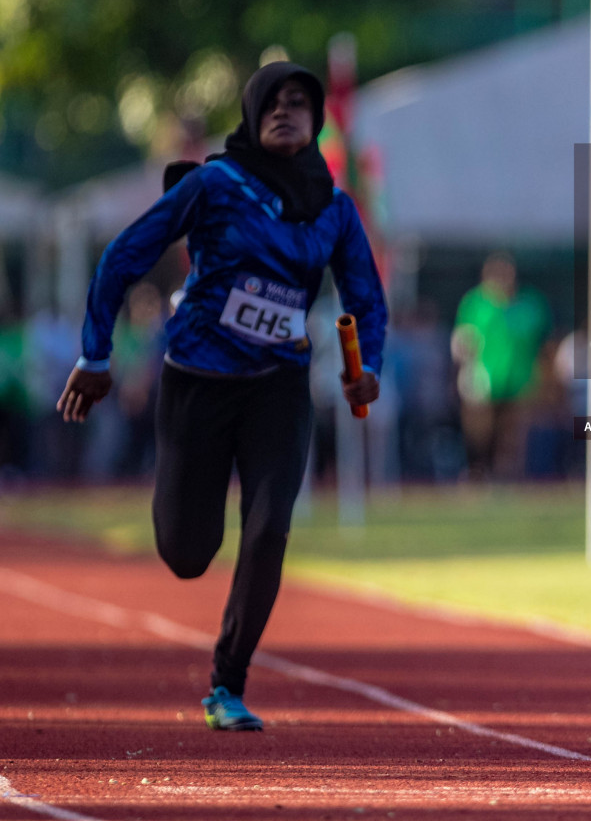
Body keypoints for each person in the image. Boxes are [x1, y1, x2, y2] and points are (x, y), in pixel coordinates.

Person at [57, 60, 387, 731]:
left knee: (269, 530)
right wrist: (96, 353)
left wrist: (364, 366)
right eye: (272, 101)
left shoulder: (335, 208)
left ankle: (227, 683)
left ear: (317, 119)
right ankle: (184, 519)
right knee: (186, 553)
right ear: (251, 112)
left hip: (279, 388)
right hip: (197, 383)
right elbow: (123, 255)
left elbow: (365, 298)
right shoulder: (215, 184)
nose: (284, 111)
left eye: (299, 102)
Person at [450, 252, 549, 479]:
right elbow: (463, 339)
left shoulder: (529, 304)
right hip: (482, 378)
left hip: (518, 379)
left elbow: (542, 343)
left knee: (512, 433)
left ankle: (507, 475)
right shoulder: (475, 303)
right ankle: (478, 471)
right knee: (480, 430)